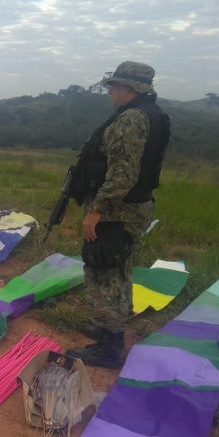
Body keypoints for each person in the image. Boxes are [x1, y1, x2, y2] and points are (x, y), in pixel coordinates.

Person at [66, 61, 171, 369]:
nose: (110, 91)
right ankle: (108, 327)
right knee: (118, 270)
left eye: (114, 86)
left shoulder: (132, 119)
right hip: (133, 208)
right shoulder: (153, 115)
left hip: (117, 211)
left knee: (104, 272)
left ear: (129, 88)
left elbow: (123, 174)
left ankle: (108, 347)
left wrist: (95, 211)